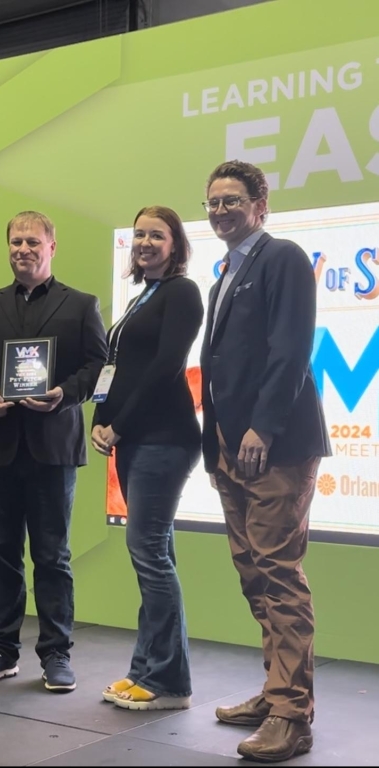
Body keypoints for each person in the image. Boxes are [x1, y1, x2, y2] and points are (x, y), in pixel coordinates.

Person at [200, 160, 331, 762]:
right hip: (230, 446)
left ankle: (292, 716)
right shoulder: (224, 271)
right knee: (254, 573)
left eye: (232, 200)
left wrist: (262, 427)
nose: (220, 210)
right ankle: (277, 690)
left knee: (279, 574)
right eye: (213, 201)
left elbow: (292, 348)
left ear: (260, 206)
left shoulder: (282, 258)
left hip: (273, 444)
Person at [0, 211, 107, 693]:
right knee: (0, 555)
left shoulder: (81, 304)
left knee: (53, 557)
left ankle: (57, 655)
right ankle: (0, 650)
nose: (23, 249)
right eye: (15, 241)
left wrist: (65, 392)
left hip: (52, 449)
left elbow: (98, 364)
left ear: (52, 247)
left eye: (32, 242)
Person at [91, 206, 203, 711]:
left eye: (156, 234)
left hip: (165, 438)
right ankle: (153, 672)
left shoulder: (181, 291)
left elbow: (164, 368)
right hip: (135, 440)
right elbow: (120, 369)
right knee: (155, 556)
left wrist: (120, 424)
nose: (144, 241)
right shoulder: (145, 295)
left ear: (175, 244)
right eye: (138, 234)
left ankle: (164, 682)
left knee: (150, 554)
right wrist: (101, 417)